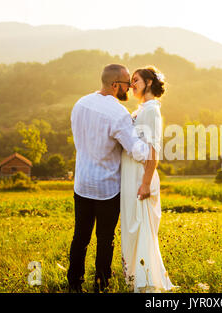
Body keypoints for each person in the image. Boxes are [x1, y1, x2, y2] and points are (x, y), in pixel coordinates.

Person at [67, 64, 151, 293]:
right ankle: (101, 283)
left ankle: (74, 282)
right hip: (107, 188)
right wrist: (152, 147)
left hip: (82, 183)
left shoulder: (80, 104)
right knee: (105, 238)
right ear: (115, 85)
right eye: (126, 84)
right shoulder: (118, 113)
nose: (129, 88)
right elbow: (135, 149)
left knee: (80, 237)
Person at [120, 66, 175, 293]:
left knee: (140, 228)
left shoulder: (151, 110)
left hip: (141, 178)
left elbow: (153, 150)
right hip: (131, 176)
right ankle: (135, 279)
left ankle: (145, 283)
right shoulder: (142, 109)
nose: (131, 85)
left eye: (136, 80)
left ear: (149, 83)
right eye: (131, 81)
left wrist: (145, 182)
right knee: (132, 228)